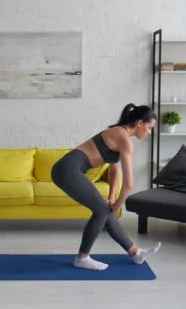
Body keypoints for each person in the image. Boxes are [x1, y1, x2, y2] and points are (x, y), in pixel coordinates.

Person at [51, 103, 161, 270]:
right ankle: (82, 257)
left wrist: (112, 196)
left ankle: (135, 253)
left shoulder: (119, 133)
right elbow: (129, 183)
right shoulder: (124, 139)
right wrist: (118, 205)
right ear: (139, 123)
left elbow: (114, 170)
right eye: (149, 127)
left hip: (66, 169)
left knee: (104, 210)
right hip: (67, 169)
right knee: (103, 210)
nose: (149, 132)